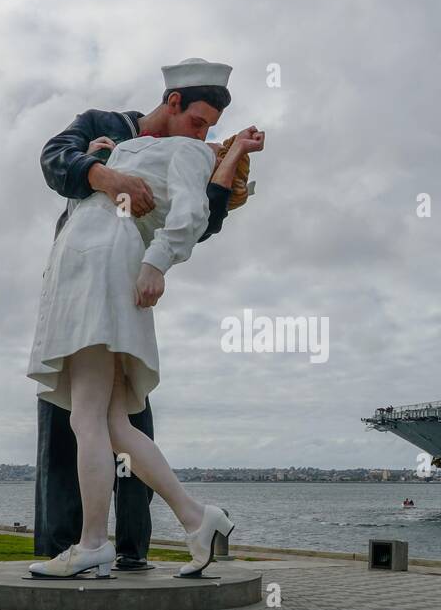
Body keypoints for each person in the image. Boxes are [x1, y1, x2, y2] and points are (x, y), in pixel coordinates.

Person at [26, 58, 265, 579]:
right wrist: (102, 162)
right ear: (173, 103)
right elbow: (55, 159)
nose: (204, 135)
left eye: (211, 131)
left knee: (86, 417)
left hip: (98, 268)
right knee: (111, 422)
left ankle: (93, 543)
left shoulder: (184, 149)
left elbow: (198, 215)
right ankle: (197, 518)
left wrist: (156, 262)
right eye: (199, 122)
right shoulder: (123, 136)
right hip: (92, 266)